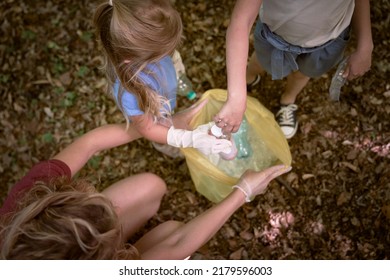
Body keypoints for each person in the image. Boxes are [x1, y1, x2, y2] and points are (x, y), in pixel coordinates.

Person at [0, 103, 291, 259]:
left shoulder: (30, 198)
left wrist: (169, 131)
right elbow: (178, 243)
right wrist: (244, 191)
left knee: (152, 186)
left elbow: (91, 142)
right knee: (173, 232)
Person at [214, 0, 373, 139]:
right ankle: (248, 78)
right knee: (260, 62)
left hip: (328, 41)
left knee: (302, 73)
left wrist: (366, 45)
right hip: (274, 37)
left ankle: (288, 100)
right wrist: (236, 94)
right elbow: (241, 20)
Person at [93, 0, 231, 158]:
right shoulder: (130, 93)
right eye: (164, 52)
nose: (170, 52)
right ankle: (172, 150)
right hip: (156, 120)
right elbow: (148, 129)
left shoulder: (145, 45)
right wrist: (185, 139)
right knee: (163, 130)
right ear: (130, 59)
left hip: (164, 98)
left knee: (169, 111)